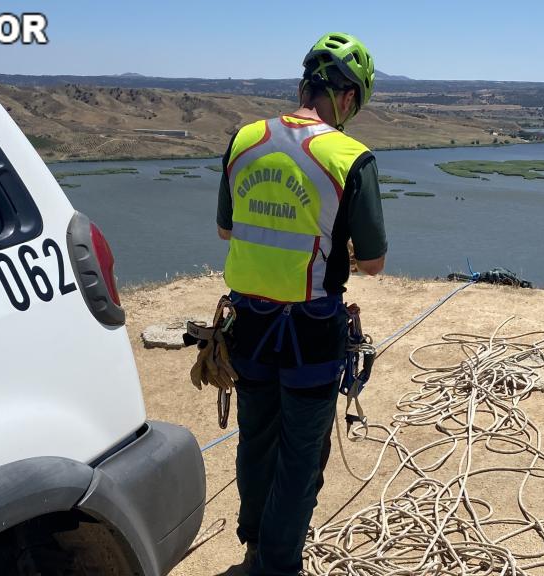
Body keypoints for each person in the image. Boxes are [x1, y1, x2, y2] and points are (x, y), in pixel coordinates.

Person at [213, 32, 387, 575]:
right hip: (310, 332)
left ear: (304, 86)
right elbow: (373, 262)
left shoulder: (244, 139)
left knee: (256, 440)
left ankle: (254, 545)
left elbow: (226, 229)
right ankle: (279, 565)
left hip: (249, 324)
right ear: (348, 97)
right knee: (301, 456)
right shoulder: (350, 158)